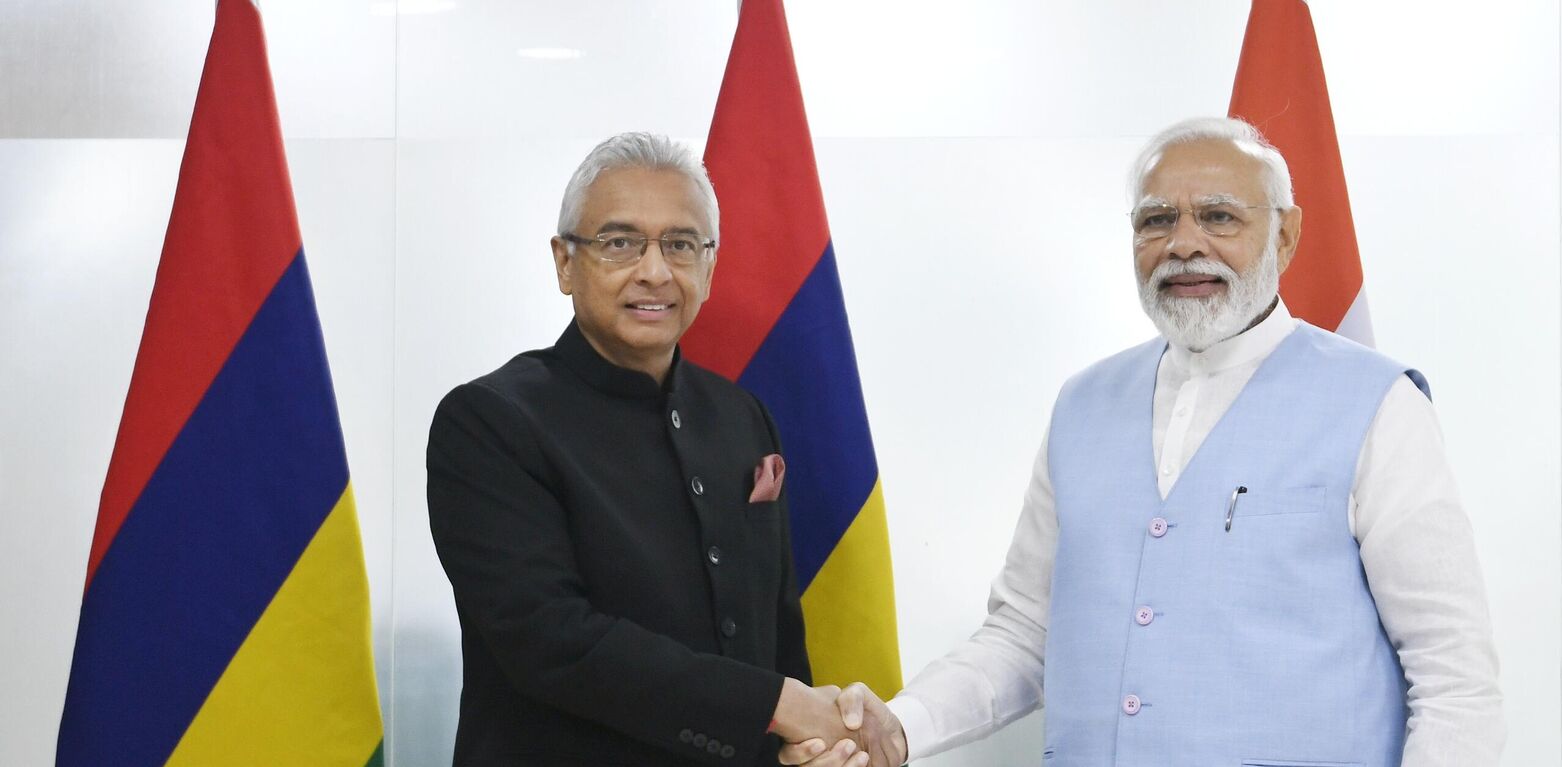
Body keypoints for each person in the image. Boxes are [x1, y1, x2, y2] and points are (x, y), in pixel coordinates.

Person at [784, 117, 1503, 767]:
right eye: (1157, 220)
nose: (1184, 243)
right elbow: (1025, 631)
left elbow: (1453, 673)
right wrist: (899, 725)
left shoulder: (1377, 403)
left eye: (1218, 216)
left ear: (1284, 235)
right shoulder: (1083, 403)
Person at [427, 132, 875, 766]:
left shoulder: (743, 418)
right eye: (620, 243)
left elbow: (777, 634)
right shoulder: (489, 423)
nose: (656, 271)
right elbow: (552, 641)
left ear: (710, 266)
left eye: (681, 244)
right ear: (564, 262)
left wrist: (803, 745)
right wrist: (774, 705)